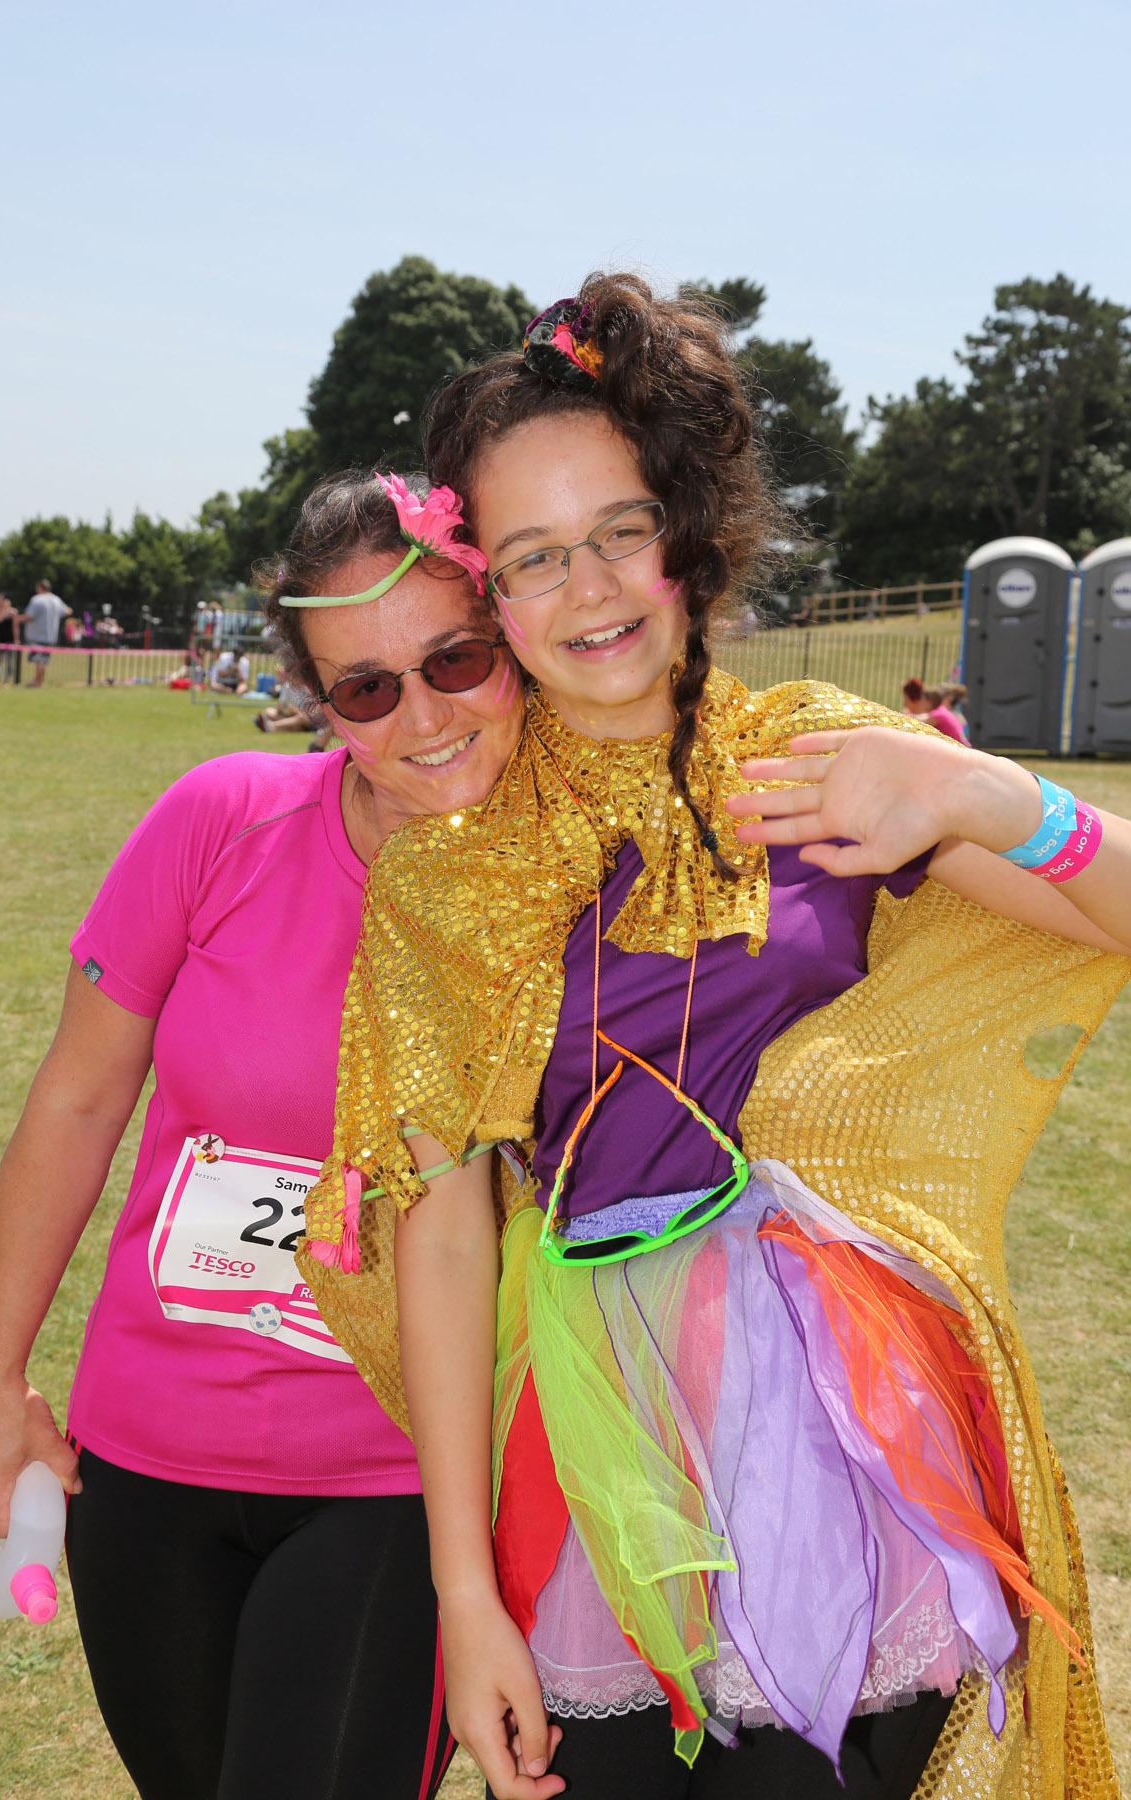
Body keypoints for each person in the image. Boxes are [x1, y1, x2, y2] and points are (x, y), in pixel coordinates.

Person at [298, 278, 1131, 1800]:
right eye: (536, 556)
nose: (594, 586)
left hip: (853, 1446)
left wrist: (993, 801)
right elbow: (441, 1230)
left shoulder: (827, 759)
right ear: (488, 590)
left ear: (685, 527)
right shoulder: (454, 869)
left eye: (622, 527)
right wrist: (467, 1594)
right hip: (599, 1462)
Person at [0, 472, 523, 1800]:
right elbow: (78, 1100)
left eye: (456, 658)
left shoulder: (577, 884)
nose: (425, 715)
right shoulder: (221, 822)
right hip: (145, 1456)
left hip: (402, 1481)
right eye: (368, 689)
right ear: (321, 705)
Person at [21, 579, 72, 687]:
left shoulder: (37, 600)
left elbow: (29, 616)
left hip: (36, 635)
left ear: (40, 587)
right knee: (43, 660)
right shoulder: (56, 600)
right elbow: (68, 611)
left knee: (38, 660)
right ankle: (40, 680)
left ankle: (37, 682)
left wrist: (17, 619)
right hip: (51, 636)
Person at [902, 677, 969, 743]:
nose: (905, 704)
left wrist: (904, 715)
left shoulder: (939, 714)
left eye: (906, 700)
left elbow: (916, 723)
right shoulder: (941, 711)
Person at [0, 592, 21, 685]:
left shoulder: (14, 612)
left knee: (9, 663)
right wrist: (6, 610)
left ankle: (7, 682)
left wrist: (16, 639)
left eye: (0, 599)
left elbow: (15, 627)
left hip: (9, 640)